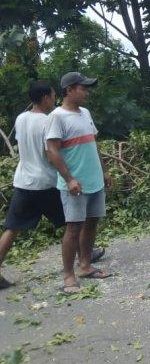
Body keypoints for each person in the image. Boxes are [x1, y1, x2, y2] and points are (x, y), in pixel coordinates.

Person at [46, 72, 112, 293]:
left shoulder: (85, 113)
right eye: (83, 88)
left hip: (94, 181)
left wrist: (104, 171)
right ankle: (68, 276)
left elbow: (93, 144)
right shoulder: (57, 116)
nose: (86, 92)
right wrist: (69, 178)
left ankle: (84, 265)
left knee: (92, 223)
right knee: (73, 228)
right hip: (74, 185)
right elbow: (52, 151)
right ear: (69, 90)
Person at [0, 81, 66, 289]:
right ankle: (85, 256)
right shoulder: (47, 122)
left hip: (23, 181)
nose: (55, 99)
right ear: (45, 97)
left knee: (12, 228)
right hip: (45, 182)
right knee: (71, 223)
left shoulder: (21, 118)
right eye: (53, 95)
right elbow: (51, 153)